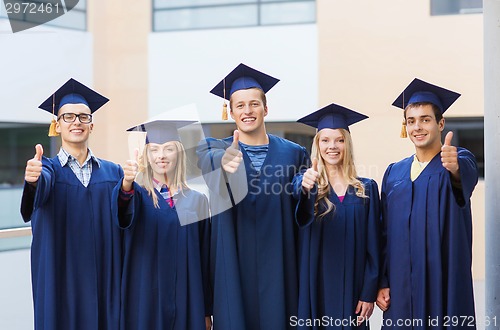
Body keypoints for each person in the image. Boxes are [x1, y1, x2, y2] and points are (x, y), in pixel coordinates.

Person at [196, 63, 309, 329]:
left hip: (281, 268)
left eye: (254, 104)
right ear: (231, 111)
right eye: (240, 105)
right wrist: (224, 161)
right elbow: (206, 162)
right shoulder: (213, 148)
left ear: (266, 109)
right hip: (232, 270)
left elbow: (304, 208)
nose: (248, 111)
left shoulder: (293, 153)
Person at [20, 78, 123, 330]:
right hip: (60, 281)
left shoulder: (113, 173)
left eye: (83, 117)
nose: (76, 121)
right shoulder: (47, 169)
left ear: (92, 125)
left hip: (103, 282)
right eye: (68, 117)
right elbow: (39, 189)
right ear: (57, 125)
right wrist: (32, 181)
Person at [377, 78, 478, 329]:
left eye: (425, 119)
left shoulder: (456, 161)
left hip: (440, 284)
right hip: (401, 288)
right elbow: (383, 233)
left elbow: (464, 174)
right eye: (411, 121)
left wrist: (454, 167)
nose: (417, 127)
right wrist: (382, 281)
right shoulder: (394, 173)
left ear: (440, 123)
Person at [113, 119, 212, 330]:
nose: (161, 156)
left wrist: (205, 310)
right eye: (154, 150)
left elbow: (205, 259)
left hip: (188, 299)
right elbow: (121, 214)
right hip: (147, 301)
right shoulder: (137, 197)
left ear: (179, 153)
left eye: (169, 149)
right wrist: (126, 184)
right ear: (146, 156)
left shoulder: (197, 200)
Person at [293, 103, 380, 329]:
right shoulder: (308, 184)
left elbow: (375, 245)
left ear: (347, 144)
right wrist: (306, 187)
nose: (332, 146)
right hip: (315, 287)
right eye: (325, 140)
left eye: (339, 140)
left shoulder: (366, 189)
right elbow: (299, 208)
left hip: (354, 291)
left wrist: (368, 292)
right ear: (317, 145)